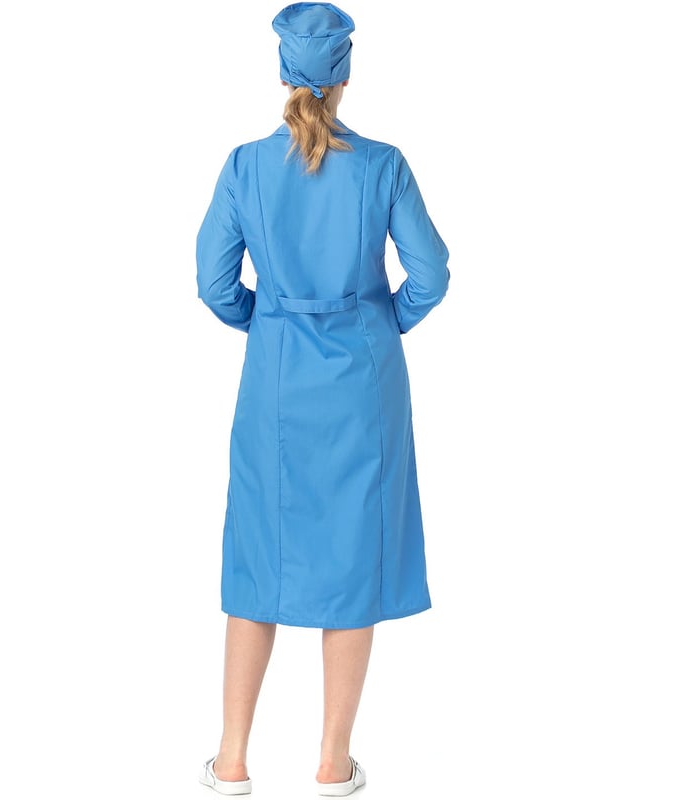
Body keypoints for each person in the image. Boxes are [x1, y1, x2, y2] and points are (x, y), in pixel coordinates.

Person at [194, 3, 450, 795]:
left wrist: (269, 321)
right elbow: (431, 274)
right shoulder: (383, 166)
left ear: (282, 73)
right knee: (350, 558)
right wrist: (381, 321)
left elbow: (213, 283)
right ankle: (334, 765)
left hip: (275, 382)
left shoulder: (245, 167)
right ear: (345, 75)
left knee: (258, 557)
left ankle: (231, 761)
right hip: (362, 387)